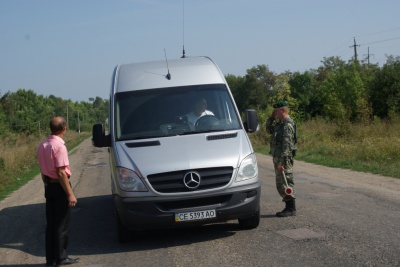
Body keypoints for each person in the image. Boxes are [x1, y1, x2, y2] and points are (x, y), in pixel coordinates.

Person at [37, 117, 79, 266]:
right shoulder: (59, 146)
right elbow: (61, 172)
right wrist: (70, 193)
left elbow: (43, 170)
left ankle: (50, 258)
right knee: (62, 223)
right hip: (59, 185)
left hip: (48, 186)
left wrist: (47, 185)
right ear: (64, 129)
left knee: (51, 223)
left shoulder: (42, 145)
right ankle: (61, 257)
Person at [266, 101, 297, 217]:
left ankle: (291, 208)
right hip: (277, 157)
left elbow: (287, 146)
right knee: (280, 184)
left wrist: (282, 163)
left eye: (277, 111)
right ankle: (289, 206)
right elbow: (269, 130)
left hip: (283, 159)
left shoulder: (287, 125)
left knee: (286, 182)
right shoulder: (280, 124)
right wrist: (271, 118)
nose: (275, 113)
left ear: (283, 111)